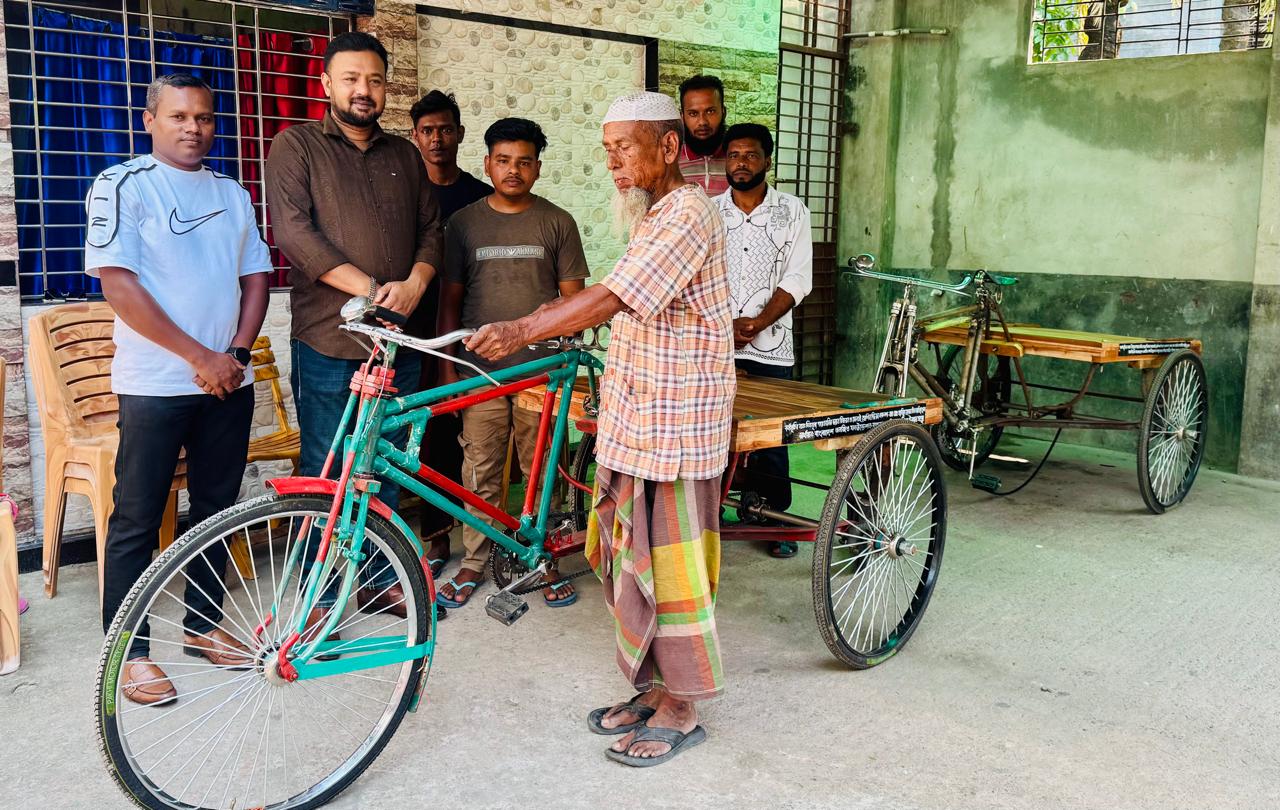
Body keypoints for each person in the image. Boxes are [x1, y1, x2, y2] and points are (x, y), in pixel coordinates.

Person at [466, 91, 734, 767]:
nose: (613, 162)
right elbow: (616, 298)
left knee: (672, 570)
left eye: (625, 148)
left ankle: (683, 706)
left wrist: (522, 329)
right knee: (632, 558)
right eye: (607, 149)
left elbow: (613, 296)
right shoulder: (655, 215)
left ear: (668, 146)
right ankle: (657, 689)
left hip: (675, 429)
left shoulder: (688, 213)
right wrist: (536, 323)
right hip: (641, 421)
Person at [87, 73, 272, 705]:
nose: (194, 128)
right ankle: (128, 653)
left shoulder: (232, 192)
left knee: (216, 510)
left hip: (227, 382)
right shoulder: (122, 185)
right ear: (150, 121)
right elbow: (119, 285)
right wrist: (200, 357)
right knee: (137, 517)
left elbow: (255, 278)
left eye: (204, 117)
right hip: (155, 384)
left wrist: (235, 355)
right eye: (179, 116)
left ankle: (203, 626)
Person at [266, 32, 443, 637]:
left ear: (386, 87)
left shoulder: (405, 156)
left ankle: (374, 577)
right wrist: (370, 289)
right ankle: (317, 594)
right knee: (326, 468)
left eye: (374, 79)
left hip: (398, 342)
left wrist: (416, 282)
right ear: (326, 84)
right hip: (330, 341)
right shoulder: (297, 146)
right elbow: (294, 234)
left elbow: (432, 230)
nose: (363, 90)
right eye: (350, 79)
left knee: (385, 466)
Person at [435, 117, 589, 609]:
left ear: (538, 168)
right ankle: (475, 561)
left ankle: (542, 559)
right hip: (478, 372)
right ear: (487, 164)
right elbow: (450, 300)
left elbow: (574, 303)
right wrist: (446, 368)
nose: (513, 170)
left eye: (524, 162)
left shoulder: (557, 222)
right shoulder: (464, 224)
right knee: (478, 468)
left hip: (542, 374)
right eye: (503, 161)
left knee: (542, 470)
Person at [714, 123, 813, 558]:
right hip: (715, 345)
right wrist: (724, 326)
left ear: (767, 160)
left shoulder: (793, 211)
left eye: (750, 155)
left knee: (771, 436)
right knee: (715, 429)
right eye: (734, 155)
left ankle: (774, 521)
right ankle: (713, 512)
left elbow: (799, 277)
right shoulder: (709, 212)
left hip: (772, 345)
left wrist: (757, 322)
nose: (741, 163)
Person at [405, 90, 491, 576]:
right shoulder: (408, 193)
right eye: (427, 131)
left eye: (444, 129)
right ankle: (436, 537)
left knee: (477, 435)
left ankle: (487, 530)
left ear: (459, 133)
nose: (437, 139)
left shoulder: (479, 196)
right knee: (429, 434)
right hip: (417, 329)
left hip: (472, 328)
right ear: (415, 137)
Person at [677, 74, 729, 196]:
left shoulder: (738, 158)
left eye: (710, 111)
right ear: (682, 116)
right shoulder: (671, 162)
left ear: (723, 112)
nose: (702, 122)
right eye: (693, 114)